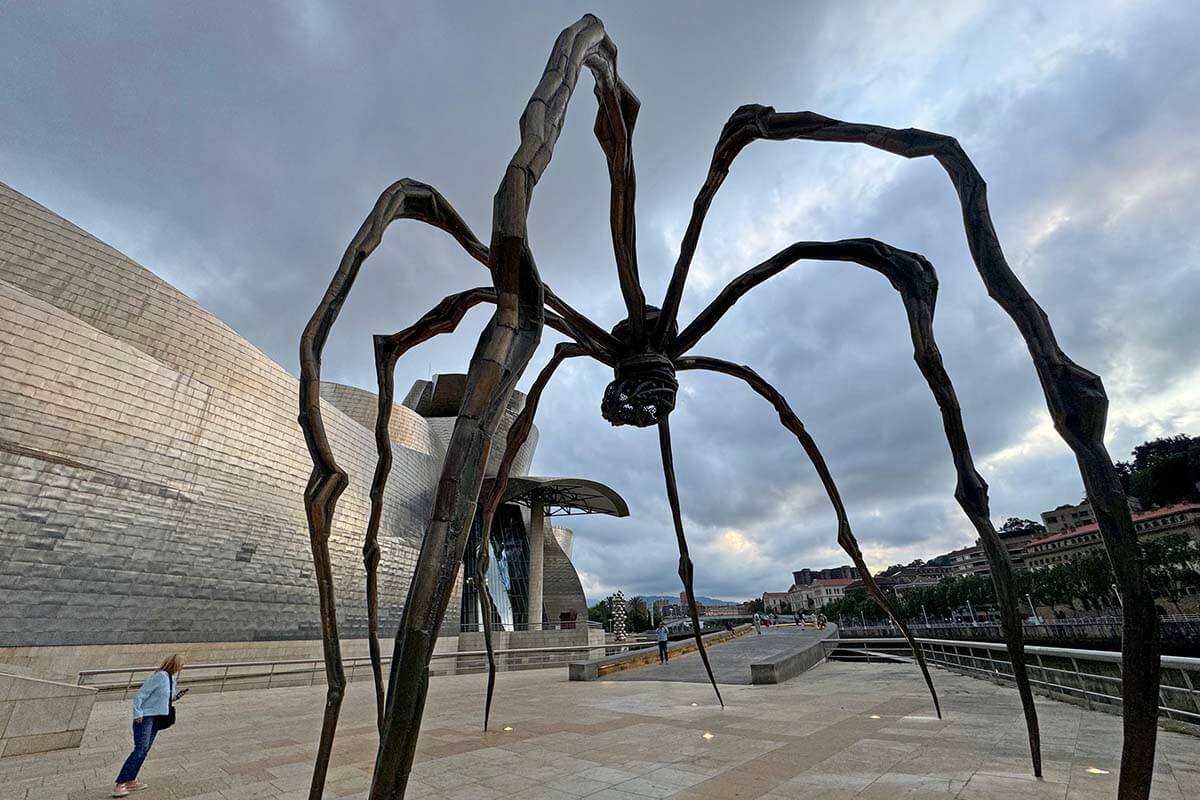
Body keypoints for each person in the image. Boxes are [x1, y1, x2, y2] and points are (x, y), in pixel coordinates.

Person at [113, 654, 184, 797]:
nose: (182, 668)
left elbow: (165, 697)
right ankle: (120, 783)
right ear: (174, 664)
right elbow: (141, 694)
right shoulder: (160, 676)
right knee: (140, 749)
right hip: (145, 718)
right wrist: (137, 713)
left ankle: (131, 780)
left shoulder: (172, 678)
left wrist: (176, 697)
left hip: (158, 717)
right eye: (181, 665)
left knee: (144, 750)